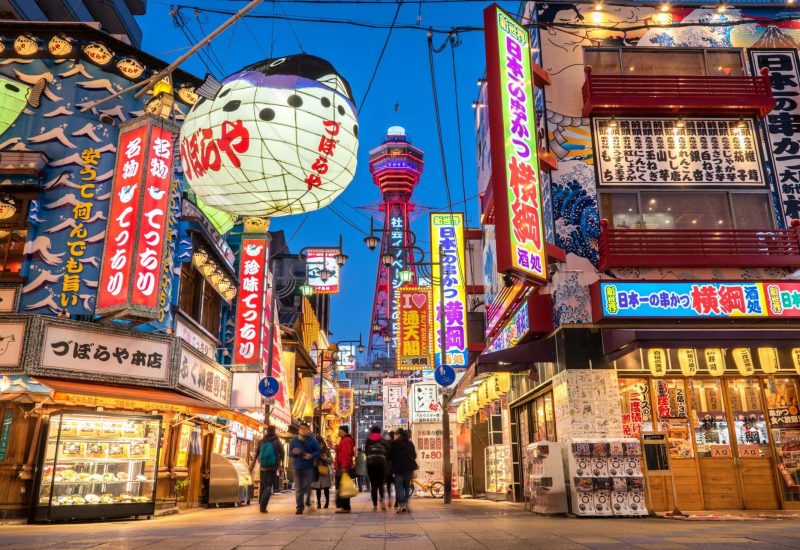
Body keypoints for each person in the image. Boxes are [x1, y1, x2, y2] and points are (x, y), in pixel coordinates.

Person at [249, 425, 284, 514]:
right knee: (268, 487)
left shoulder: (262, 441)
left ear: (267, 431)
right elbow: (282, 453)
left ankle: (261, 502)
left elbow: (257, 453)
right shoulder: (276, 441)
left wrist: (252, 465)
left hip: (263, 467)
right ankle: (263, 506)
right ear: (274, 431)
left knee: (263, 485)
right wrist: (281, 465)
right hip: (272, 467)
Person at [289, 422, 321, 515]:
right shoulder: (294, 440)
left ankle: (308, 500)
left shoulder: (312, 440)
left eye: (305, 428)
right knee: (298, 488)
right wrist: (294, 452)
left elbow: (318, 450)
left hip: (308, 466)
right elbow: (290, 453)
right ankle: (299, 507)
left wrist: (311, 455)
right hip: (297, 466)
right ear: (298, 430)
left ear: (308, 430)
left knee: (307, 486)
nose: (303, 430)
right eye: (301, 428)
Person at [388, 427, 417, 514]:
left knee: (399, 487)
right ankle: (407, 503)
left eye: (395, 435)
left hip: (398, 469)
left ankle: (401, 506)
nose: (394, 437)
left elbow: (389, 456)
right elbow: (414, 455)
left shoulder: (393, 444)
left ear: (398, 435)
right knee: (407, 486)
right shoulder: (410, 443)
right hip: (408, 468)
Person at [365, 425, 389, 511]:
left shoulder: (368, 440)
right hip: (381, 465)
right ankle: (382, 502)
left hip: (371, 465)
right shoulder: (384, 441)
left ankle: (375, 506)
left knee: (374, 486)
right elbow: (387, 453)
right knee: (381, 485)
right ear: (379, 431)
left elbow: (366, 452)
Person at [333, 425, 356, 513]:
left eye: (340, 431)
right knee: (343, 487)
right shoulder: (344, 440)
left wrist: (344, 467)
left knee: (344, 488)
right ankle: (344, 506)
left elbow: (346, 454)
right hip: (342, 467)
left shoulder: (346, 440)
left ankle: (345, 507)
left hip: (344, 468)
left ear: (344, 432)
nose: (339, 432)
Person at [311, 435, 333, 509]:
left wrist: (325, 457)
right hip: (317, 471)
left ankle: (327, 502)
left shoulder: (327, 450)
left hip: (324, 471)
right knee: (318, 489)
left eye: (321, 443)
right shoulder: (314, 451)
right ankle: (319, 503)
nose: (320, 445)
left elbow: (331, 461)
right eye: (318, 444)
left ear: (322, 443)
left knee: (326, 488)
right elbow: (312, 461)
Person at [384, 431, 395, 507]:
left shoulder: (386, 442)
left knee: (388, 485)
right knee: (397, 485)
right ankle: (397, 502)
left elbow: (385, 454)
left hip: (387, 466)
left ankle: (390, 499)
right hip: (395, 466)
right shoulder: (397, 443)